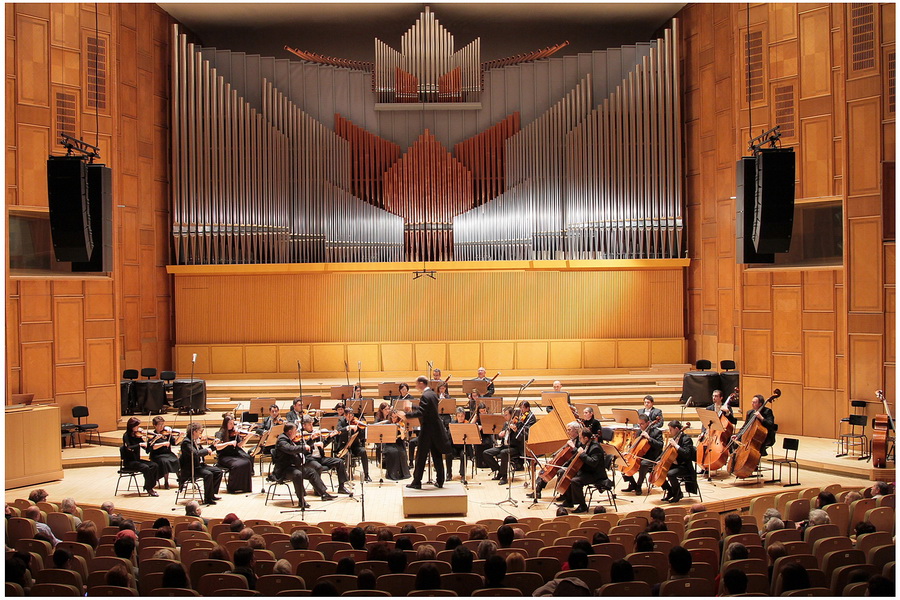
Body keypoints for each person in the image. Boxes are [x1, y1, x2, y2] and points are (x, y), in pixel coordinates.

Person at [405, 376, 452, 489]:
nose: (416, 386)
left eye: (417, 384)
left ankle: (417, 482)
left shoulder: (425, 396)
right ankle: (440, 481)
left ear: (421, 383)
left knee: (420, 456)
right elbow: (428, 409)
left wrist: (407, 415)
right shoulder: (432, 394)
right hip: (435, 430)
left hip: (427, 430)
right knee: (436, 455)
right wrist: (412, 406)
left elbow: (422, 412)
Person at [273, 422, 335, 507]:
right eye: (295, 430)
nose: (297, 432)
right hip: (284, 469)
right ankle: (301, 500)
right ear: (290, 431)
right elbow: (290, 449)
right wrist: (303, 447)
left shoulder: (291, 439)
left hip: (294, 466)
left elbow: (304, 447)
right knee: (297, 474)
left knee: (311, 472)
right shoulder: (282, 440)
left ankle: (323, 494)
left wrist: (311, 440)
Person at [557, 427, 611, 513]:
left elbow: (592, 462)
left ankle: (582, 506)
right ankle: (569, 501)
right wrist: (566, 466)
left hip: (595, 474)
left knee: (575, 481)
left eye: (580, 437)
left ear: (586, 438)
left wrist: (581, 453)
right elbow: (578, 455)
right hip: (586, 471)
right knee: (564, 473)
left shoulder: (595, 447)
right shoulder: (585, 444)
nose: (579, 439)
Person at [528, 421, 581, 500]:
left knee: (558, 471)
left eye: (569, 430)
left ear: (576, 430)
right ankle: (538, 490)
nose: (567, 432)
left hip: (572, 465)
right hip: (565, 463)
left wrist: (573, 446)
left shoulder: (579, 441)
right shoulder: (571, 440)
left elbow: (578, 454)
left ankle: (564, 494)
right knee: (546, 470)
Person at [300, 416, 352, 493]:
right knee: (318, 467)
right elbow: (303, 448)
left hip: (320, 458)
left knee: (339, 462)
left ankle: (341, 487)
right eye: (309, 424)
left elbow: (323, 444)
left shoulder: (315, 433)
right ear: (304, 425)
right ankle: (318, 489)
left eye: (312, 424)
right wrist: (312, 441)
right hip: (309, 459)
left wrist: (330, 437)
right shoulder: (301, 435)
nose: (312, 426)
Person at [179, 422, 223, 505]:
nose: (200, 433)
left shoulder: (195, 441)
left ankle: (211, 494)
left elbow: (202, 451)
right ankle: (207, 499)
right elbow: (195, 453)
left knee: (218, 472)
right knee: (208, 474)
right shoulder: (186, 442)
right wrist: (207, 450)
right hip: (191, 468)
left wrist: (213, 446)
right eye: (200, 431)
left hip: (200, 466)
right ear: (194, 432)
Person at [621, 413, 663, 495]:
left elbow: (660, 445)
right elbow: (635, 445)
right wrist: (628, 452)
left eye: (642, 424)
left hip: (652, 457)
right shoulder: (639, 432)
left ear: (648, 423)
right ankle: (633, 484)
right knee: (623, 461)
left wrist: (649, 438)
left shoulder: (656, 432)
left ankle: (639, 485)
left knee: (643, 463)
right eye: (639, 424)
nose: (640, 426)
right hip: (639, 455)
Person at [483, 406, 524, 485]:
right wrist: (500, 435)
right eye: (504, 415)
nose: (504, 417)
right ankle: (500, 471)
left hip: (514, 448)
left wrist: (515, 431)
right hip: (503, 446)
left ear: (511, 415)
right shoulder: (506, 424)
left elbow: (521, 439)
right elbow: (499, 437)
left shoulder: (518, 424)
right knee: (486, 453)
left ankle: (504, 477)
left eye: (506, 415)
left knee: (503, 453)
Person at [215, 415, 255, 494]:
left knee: (247, 462)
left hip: (234, 455)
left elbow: (239, 446)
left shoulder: (234, 433)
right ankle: (232, 488)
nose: (232, 425)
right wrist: (228, 443)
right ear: (226, 424)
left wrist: (247, 437)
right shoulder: (220, 433)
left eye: (233, 423)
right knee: (236, 465)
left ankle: (244, 487)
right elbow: (217, 447)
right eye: (230, 423)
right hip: (224, 456)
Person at [659, 420, 696, 503]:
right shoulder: (675, 438)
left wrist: (676, 445)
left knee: (670, 474)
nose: (670, 432)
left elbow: (686, 454)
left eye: (671, 429)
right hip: (676, 464)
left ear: (676, 429)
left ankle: (678, 494)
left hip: (684, 466)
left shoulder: (687, 439)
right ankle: (670, 491)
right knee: (659, 471)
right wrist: (660, 461)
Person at [122, 417, 160, 496]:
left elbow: (147, 450)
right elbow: (129, 447)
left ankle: (149, 486)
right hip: (129, 462)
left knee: (154, 465)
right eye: (137, 426)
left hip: (137, 460)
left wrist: (152, 440)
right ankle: (149, 489)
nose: (139, 428)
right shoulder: (126, 436)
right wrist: (139, 444)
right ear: (132, 426)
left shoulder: (138, 436)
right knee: (145, 467)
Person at [336, 406, 370, 482]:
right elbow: (339, 431)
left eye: (352, 416)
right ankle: (349, 475)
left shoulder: (356, 422)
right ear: (345, 415)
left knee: (363, 451)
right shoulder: (341, 421)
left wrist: (360, 429)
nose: (351, 418)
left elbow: (361, 437)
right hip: (344, 446)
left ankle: (366, 474)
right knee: (348, 454)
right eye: (349, 416)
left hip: (355, 445)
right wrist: (348, 427)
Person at [148, 416, 181, 489]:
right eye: (160, 424)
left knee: (176, 460)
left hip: (168, 453)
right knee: (165, 462)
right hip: (157, 455)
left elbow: (174, 443)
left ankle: (180, 480)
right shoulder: (152, 435)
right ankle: (166, 482)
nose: (162, 426)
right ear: (155, 425)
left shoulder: (167, 433)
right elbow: (152, 447)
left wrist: (180, 436)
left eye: (163, 424)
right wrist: (163, 444)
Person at [445, 406, 473, 482]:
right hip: (454, 447)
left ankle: (463, 474)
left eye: (462, 416)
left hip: (463, 447)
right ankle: (449, 473)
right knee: (448, 454)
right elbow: (448, 437)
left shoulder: (467, 424)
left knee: (463, 454)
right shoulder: (452, 424)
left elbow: (470, 439)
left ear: (464, 416)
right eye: (459, 416)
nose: (460, 418)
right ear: (456, 416)